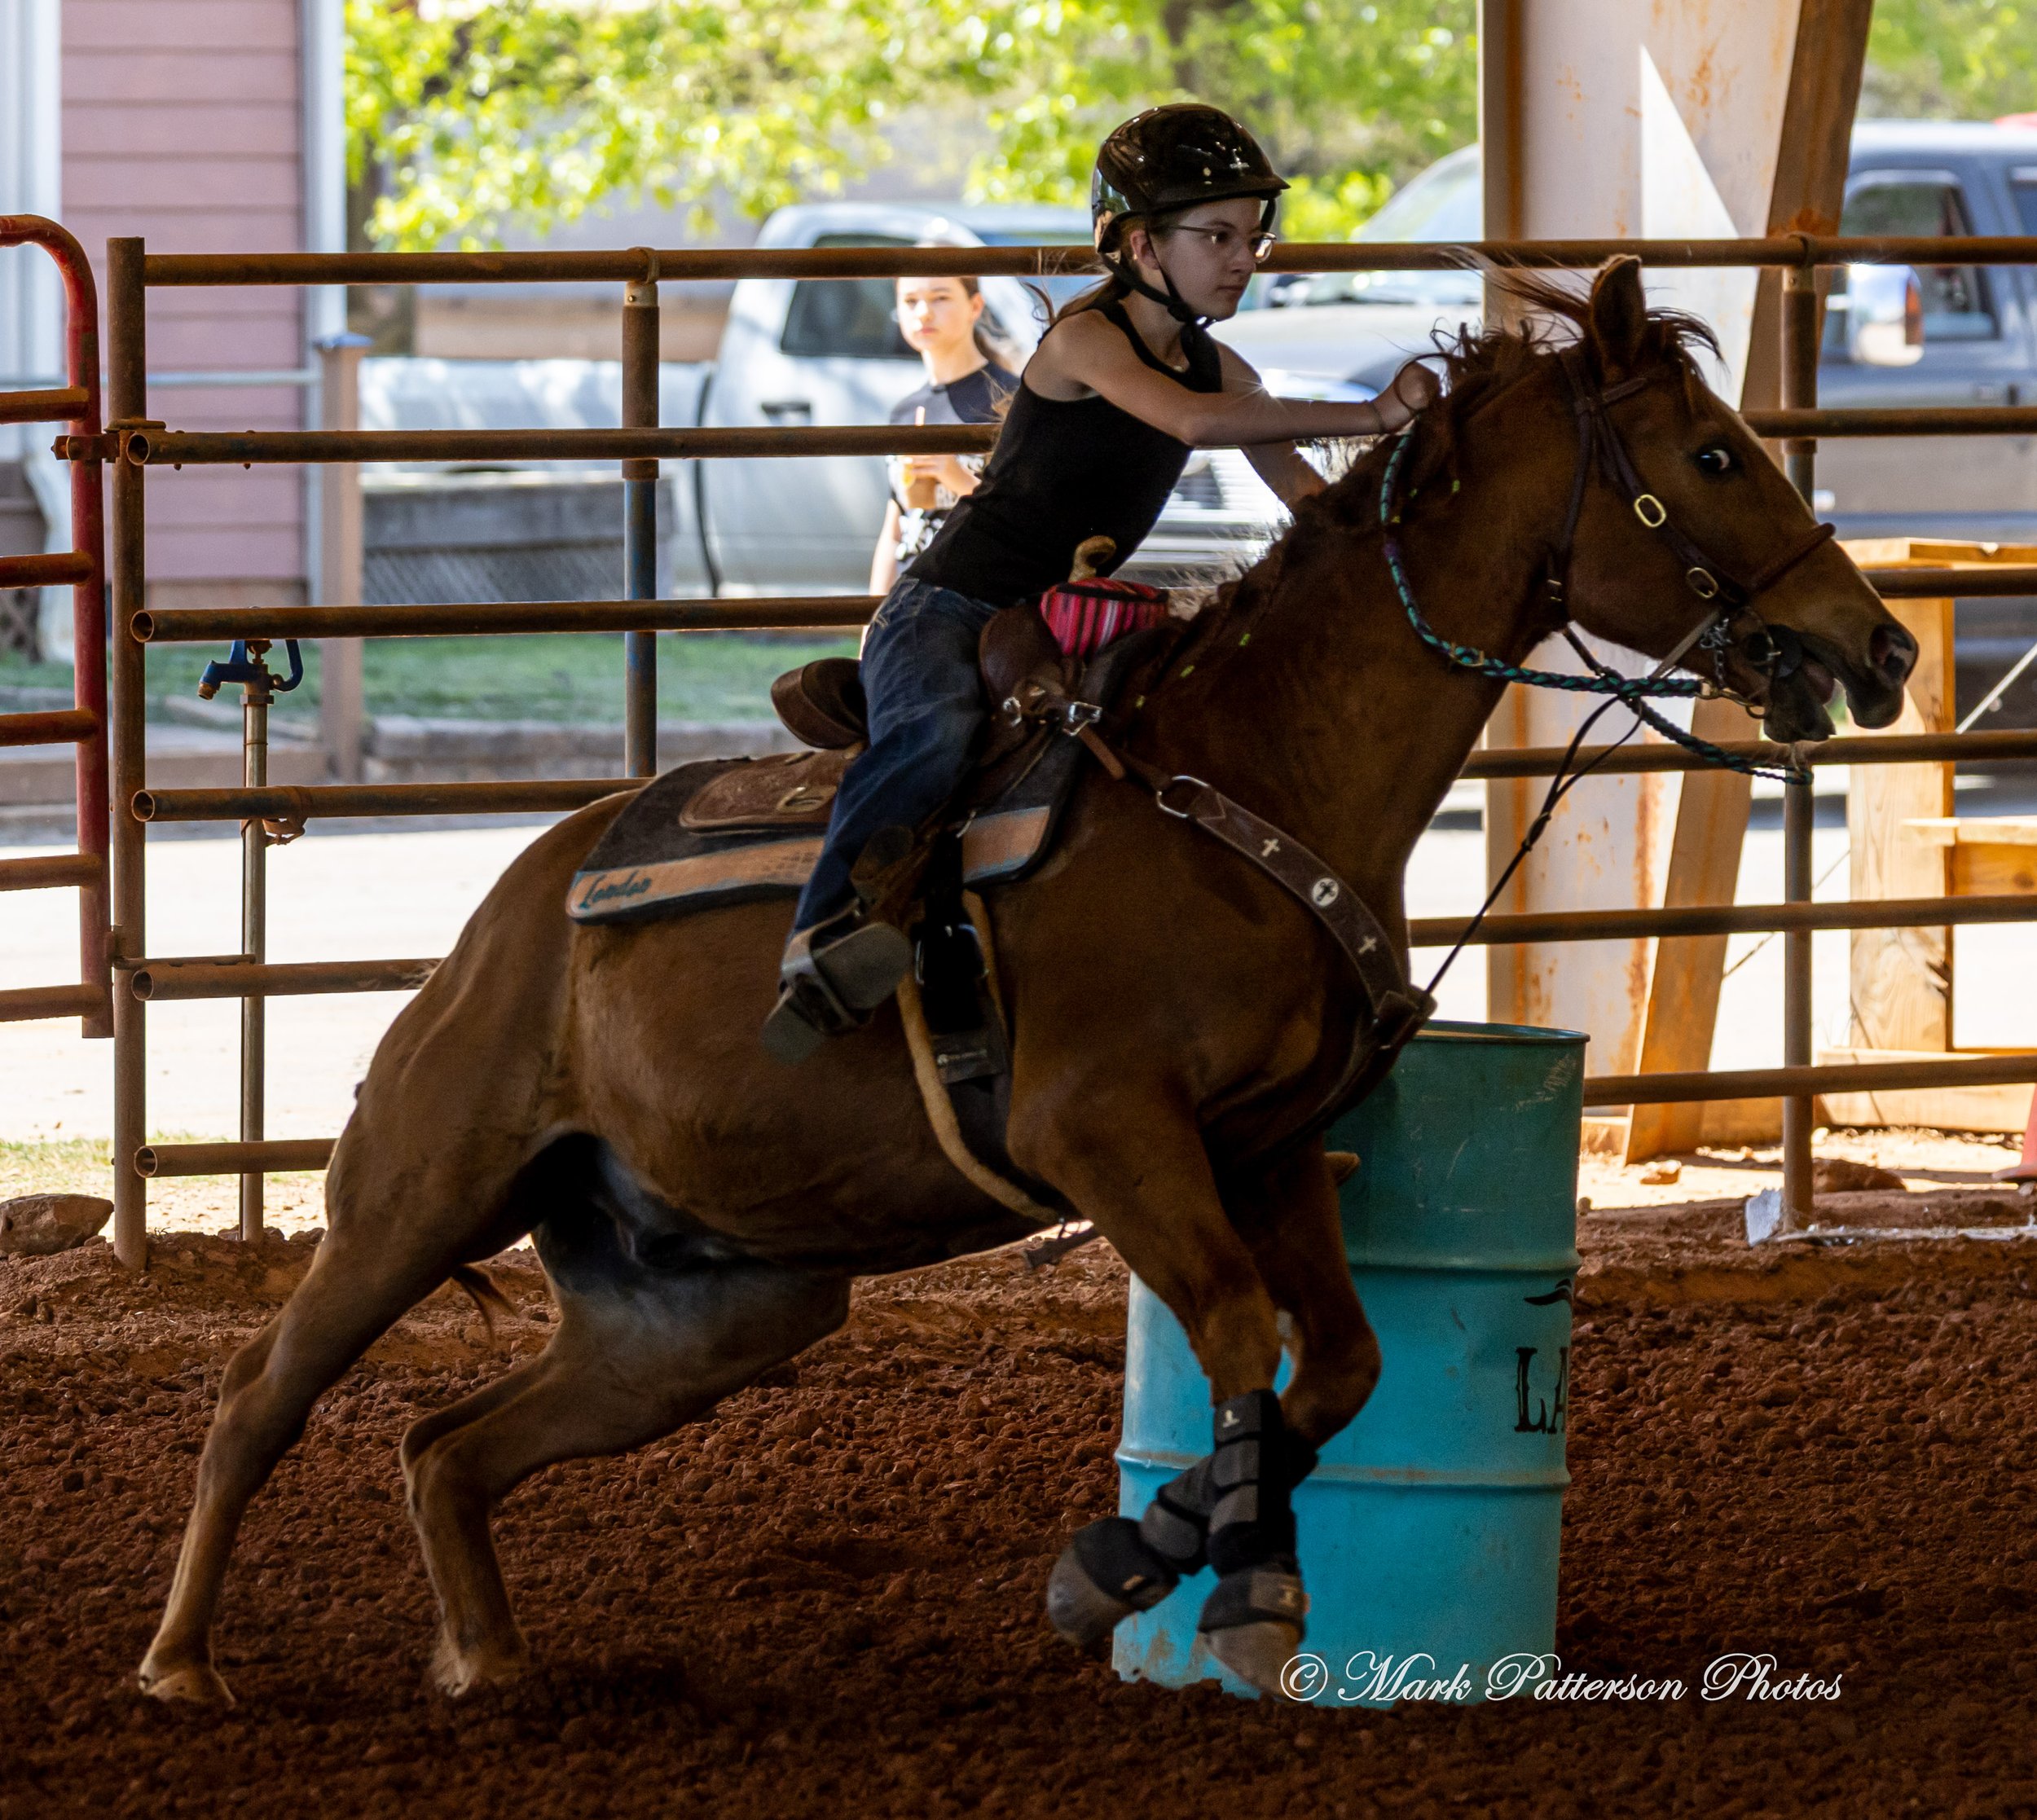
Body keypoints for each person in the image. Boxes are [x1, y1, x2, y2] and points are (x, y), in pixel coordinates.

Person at [763, 103, 1440, 1062]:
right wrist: (1377, 409)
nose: (1244, 257)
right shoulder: (1089, 342)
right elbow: (1197, 426)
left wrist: (1398, 520)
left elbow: (1304, 493)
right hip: (947, 604)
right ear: (1133, 242)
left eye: (1253, 236)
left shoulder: (1216, 362)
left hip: (1048, 624)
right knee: (933, 732)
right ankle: (821, 937)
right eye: (1215, 235)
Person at [870, 270, 1018, 596]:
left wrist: (955, 476)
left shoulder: (1011, 400)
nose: (923, 312)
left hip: (973, 597)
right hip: (906, 598)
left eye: (940, 297)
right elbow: (894, 530)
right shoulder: (904, 412)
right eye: (910, 301)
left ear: (975, 306)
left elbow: (1025, 520)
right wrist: (872, 623)